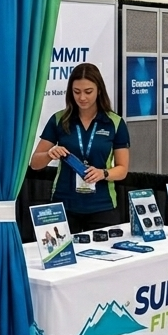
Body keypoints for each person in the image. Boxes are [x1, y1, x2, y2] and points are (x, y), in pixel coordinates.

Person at [30, 63, 130, 232]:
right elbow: (35, 163)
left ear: (99, 90)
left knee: (104, 257)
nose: (82, 97)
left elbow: (122, 170)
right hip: (64, 205)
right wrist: (49, 154)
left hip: (102, 206)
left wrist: (103, 173)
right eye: (77, 92)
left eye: (88, 91)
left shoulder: (115, 123)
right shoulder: (58, 120)